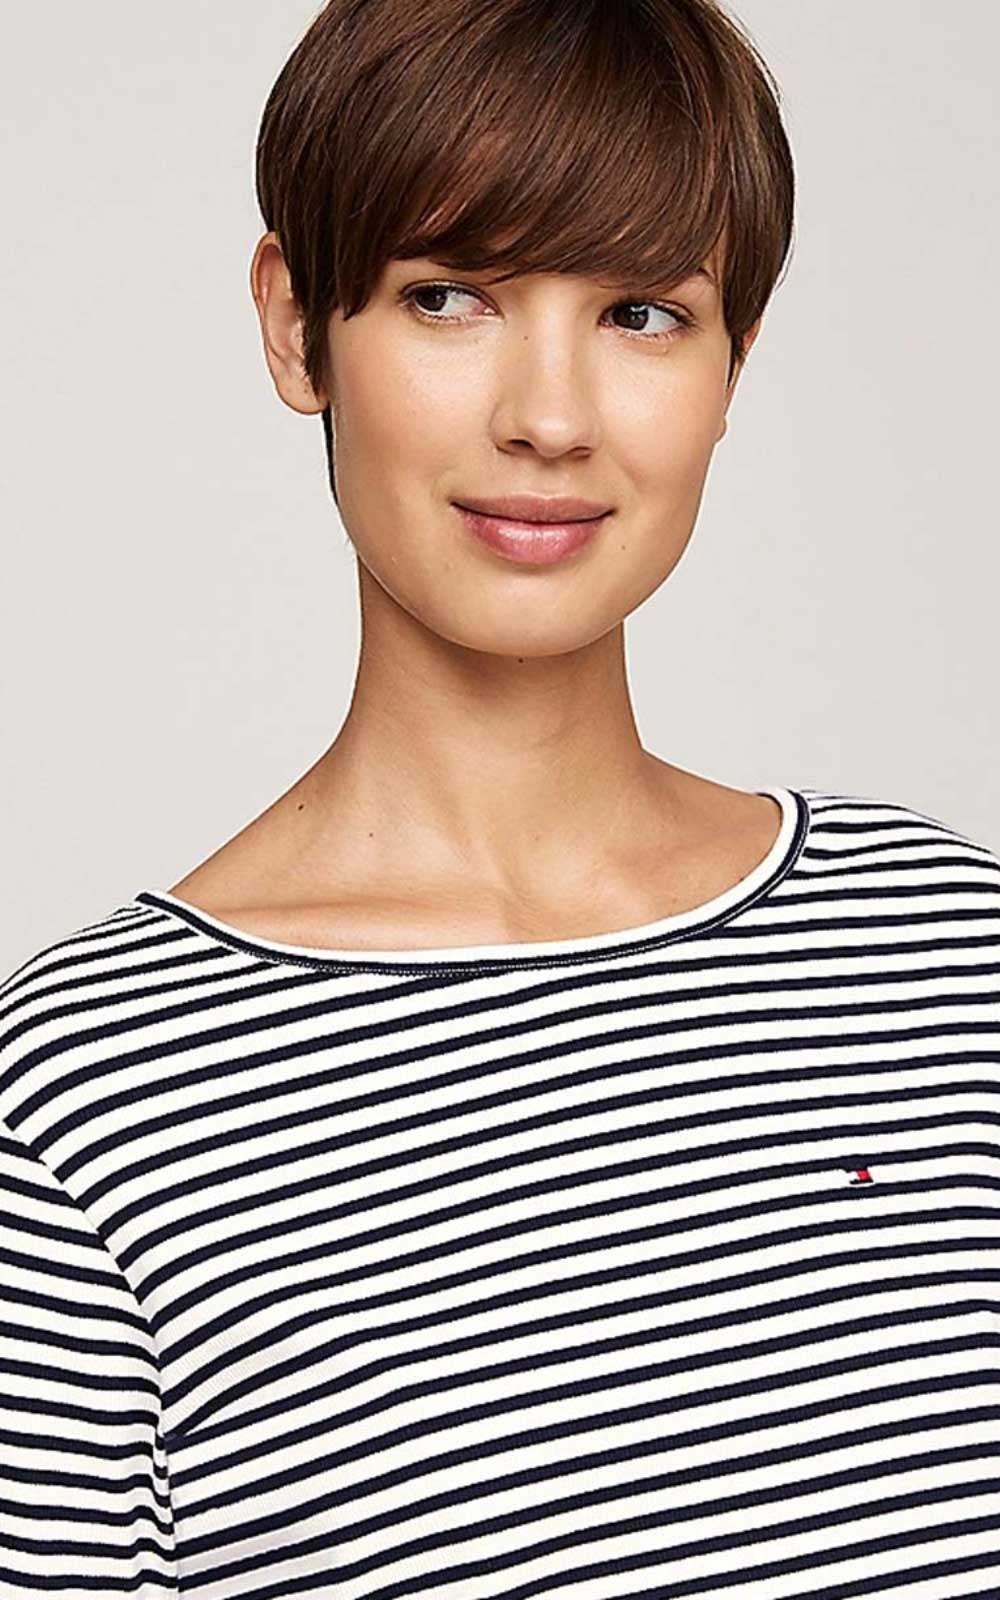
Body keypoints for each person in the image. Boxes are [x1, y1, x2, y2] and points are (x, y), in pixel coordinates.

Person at [1, 0, 998, 1593]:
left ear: (736, 362)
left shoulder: (951, 948)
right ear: (295, 323)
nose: (549, 417)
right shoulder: (79, 1105)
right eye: (449, 296)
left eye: (643, 314)